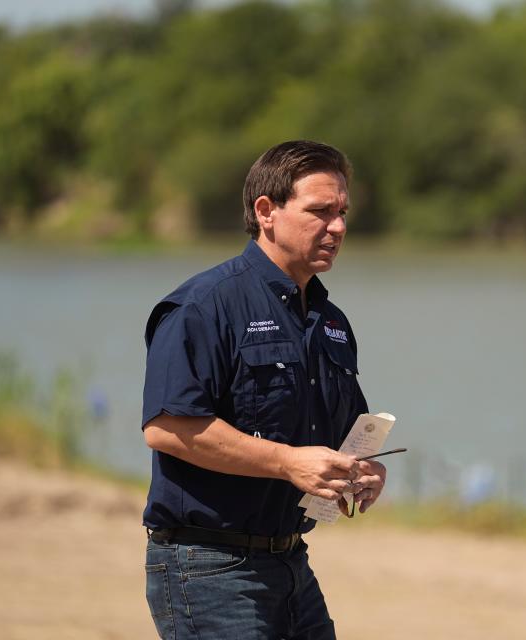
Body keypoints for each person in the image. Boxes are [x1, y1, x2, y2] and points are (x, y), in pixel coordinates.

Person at [140, 140, 386, 639]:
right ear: (266, 212)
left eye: (342, 212)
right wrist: (287, 463)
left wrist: (364, 470)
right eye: (320, 211)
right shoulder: (204, 306)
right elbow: (167, 428)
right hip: (208, 567)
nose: (337, 227)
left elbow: (339, 436)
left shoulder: (330, 320)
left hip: (292, 562)